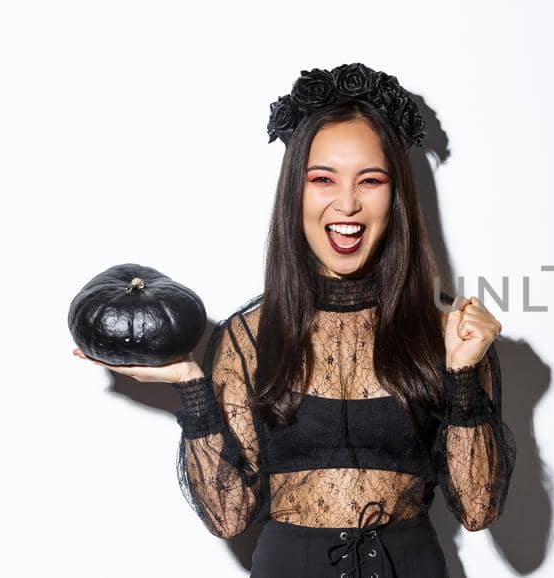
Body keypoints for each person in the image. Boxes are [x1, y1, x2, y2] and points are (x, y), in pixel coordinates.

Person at [73, 63, 515, 577]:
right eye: (322, 179)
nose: (346, 202)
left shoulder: (448, 333)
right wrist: (191, 385)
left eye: (370, 180)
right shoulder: (248, 338)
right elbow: (228, 516)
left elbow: (479, 509)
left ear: (395, 198)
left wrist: (462, 374)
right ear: (295, 194)